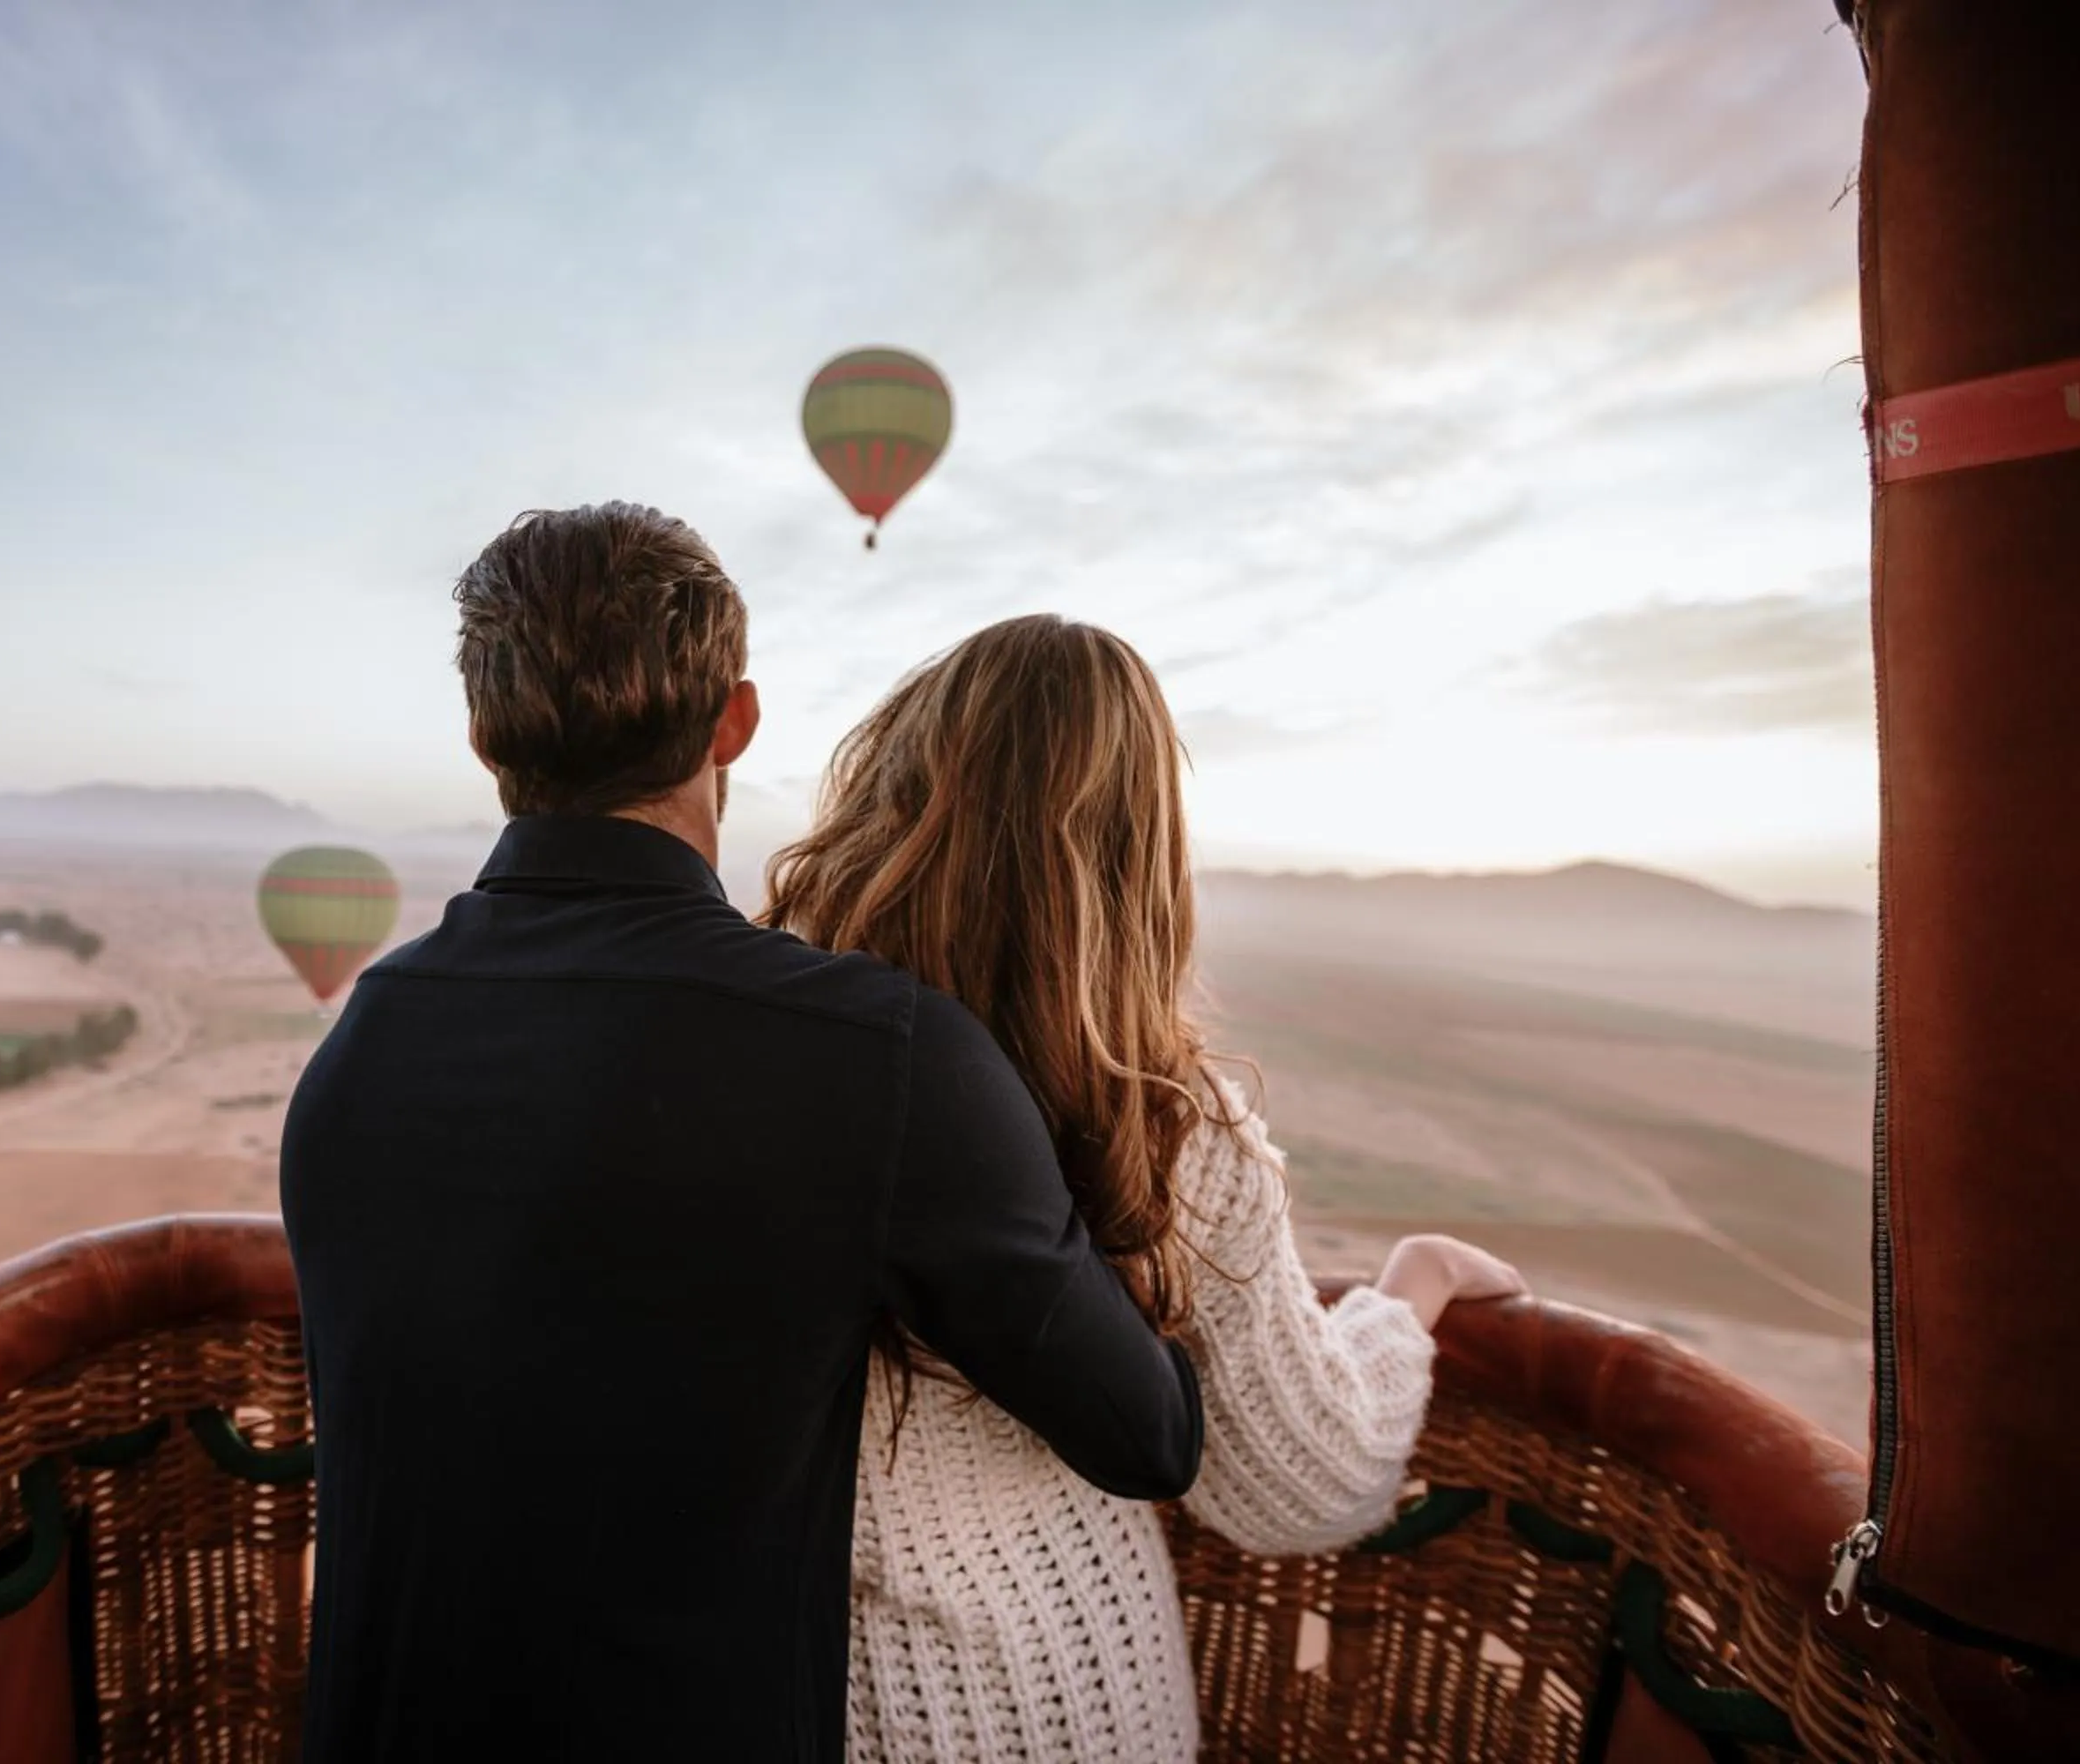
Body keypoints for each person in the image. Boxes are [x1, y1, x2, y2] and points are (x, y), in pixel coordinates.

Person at [279, 505, 1205, 1764]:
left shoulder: (360, 1045)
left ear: (486, 739)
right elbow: (1146, 1432)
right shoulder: (879, 1057)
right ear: (736, 721)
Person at [762, 614, 1528, 1762]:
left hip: (751, 1680)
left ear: (890, 802)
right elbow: (1298, 1483)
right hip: (1041, 1703)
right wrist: (1409, 1288)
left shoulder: (757, 1058)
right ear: (1138, 854)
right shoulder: (1162, 1124)